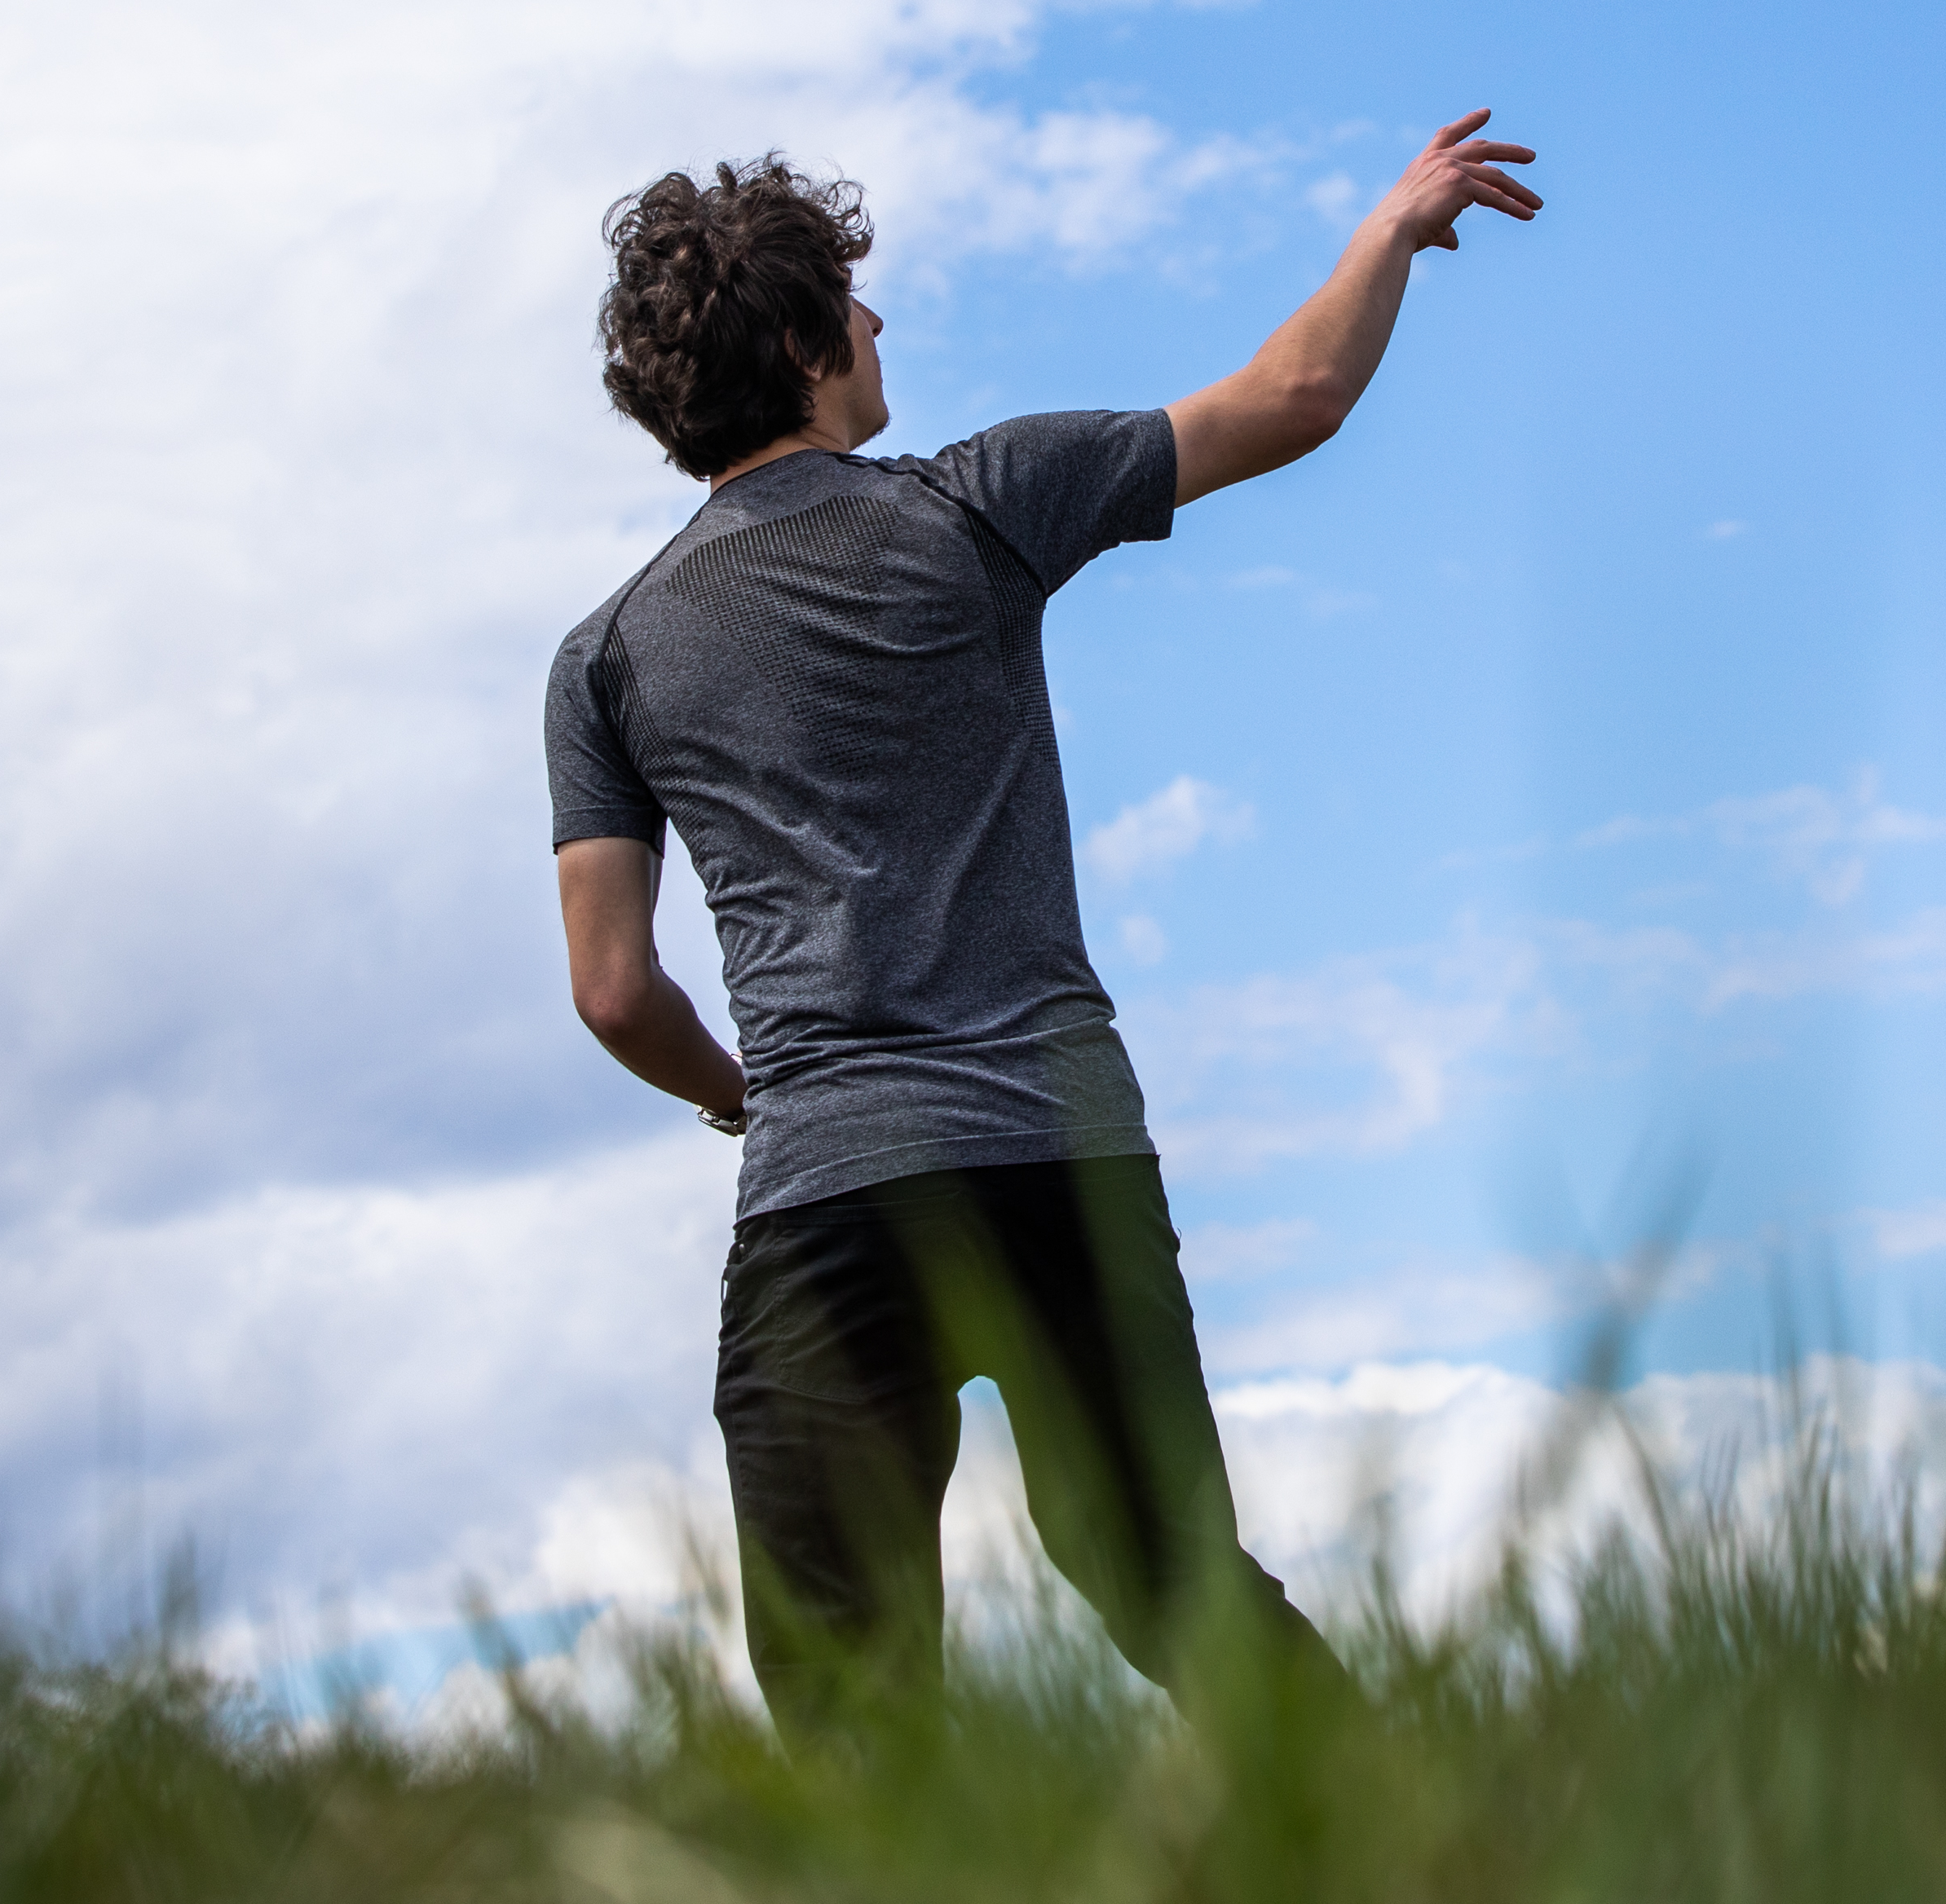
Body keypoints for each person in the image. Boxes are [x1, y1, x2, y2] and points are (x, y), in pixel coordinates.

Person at [543, 108, 1542, 1731]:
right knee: (1181, 1593)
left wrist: (746, 1096)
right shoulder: (977, 503)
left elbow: (610, 991)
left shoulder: (605, 659)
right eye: (854, 305)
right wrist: (1391, 232)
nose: (879, 323)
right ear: (802, 342)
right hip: (1059, 1152)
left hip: (825, 1197)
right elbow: (1294, 397)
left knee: (851, 1703)